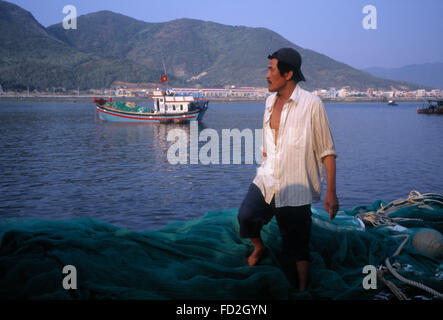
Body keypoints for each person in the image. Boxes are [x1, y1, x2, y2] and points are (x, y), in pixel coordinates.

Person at [237, 47, 339, 292]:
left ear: (288, 73)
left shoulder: (312, 104)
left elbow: (327, 151)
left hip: (296, 185)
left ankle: (303, 289)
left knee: (297, 244)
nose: (266, 75)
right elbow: (267, 141)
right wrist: (263, 163)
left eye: (271, 70)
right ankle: (259, 248)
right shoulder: (269, 102)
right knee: (246, 216)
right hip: (267, 178)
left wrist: (331, 192)